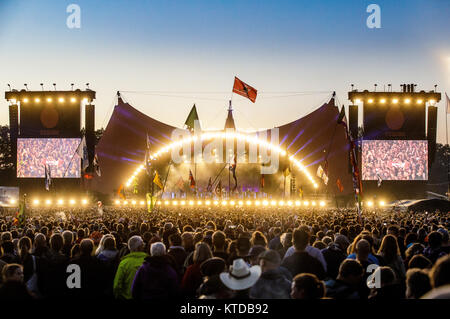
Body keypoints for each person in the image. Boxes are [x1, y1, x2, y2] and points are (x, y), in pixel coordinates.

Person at [113, 235, 147, 299]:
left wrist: (118, 296)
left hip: (127, 297)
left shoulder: (124, 263)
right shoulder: (148, 262)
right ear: (140, 247)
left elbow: (117, 285)